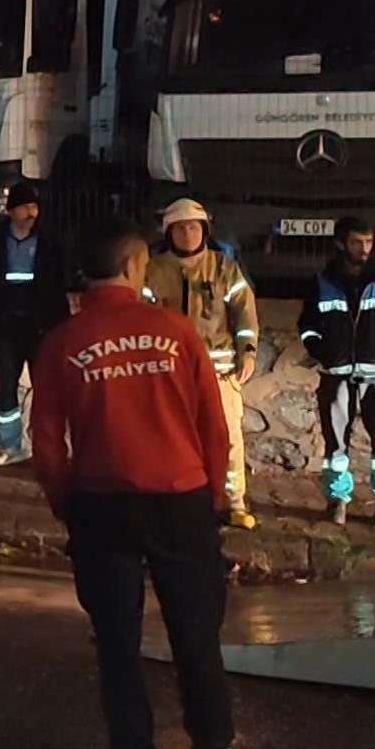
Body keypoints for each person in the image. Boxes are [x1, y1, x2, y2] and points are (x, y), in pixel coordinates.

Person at [31, 217, 238, 749]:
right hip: (182, 501)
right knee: (196, 636)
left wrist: (66, 502)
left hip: (102, 504)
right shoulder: (175, 332)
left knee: (118, 645)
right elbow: (213, 428)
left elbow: (48, 445)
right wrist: (215, 501)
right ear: (133, 267)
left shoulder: (63, 342)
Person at [144, 198, 260, 531]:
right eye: (179, 228)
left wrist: (247, 351)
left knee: (229, 437)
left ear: (205, 230)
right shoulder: (154, 271)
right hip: (170, 373)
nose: (187, 234)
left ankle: (233, 501)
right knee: (170, 438)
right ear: (169, 233)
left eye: (193, 227)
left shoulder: (225, 268)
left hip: (219, 374)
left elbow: (245, 313)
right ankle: (173, 500)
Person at [299, 216, 375, 526]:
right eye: (356, 242)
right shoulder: (322, 281)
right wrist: (322, 353)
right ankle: (337, 500)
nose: (363, 248)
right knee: (335, 442)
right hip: (336, 374)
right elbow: (307, 326)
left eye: (368, 242)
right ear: (341, 243)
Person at [0, 181, 70, 463]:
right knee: (6, 384)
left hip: (41, 323)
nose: (31, 212)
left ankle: (47, 445)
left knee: (47, 387)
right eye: (24, 206)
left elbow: (60, 281)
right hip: (6, 323)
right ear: (11, 211)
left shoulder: (51, 242)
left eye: (34, 206)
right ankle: (10, 444)